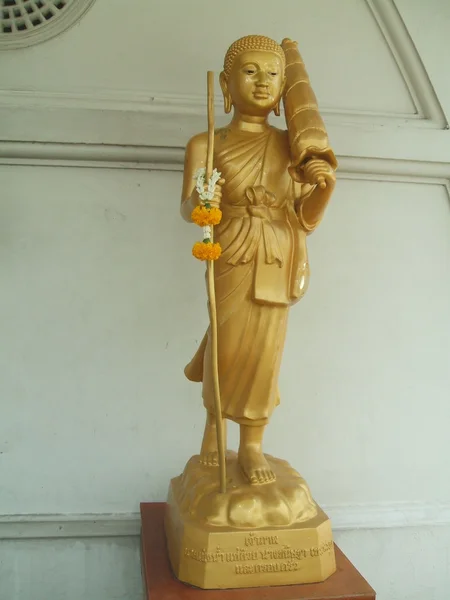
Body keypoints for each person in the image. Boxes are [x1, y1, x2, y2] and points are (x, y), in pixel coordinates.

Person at [181, 35, 336, 485]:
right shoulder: (205, 142)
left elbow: (304, 219)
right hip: (229, 248)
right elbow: (188, 207)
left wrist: (322, 190)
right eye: (250, 71)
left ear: (285, 90)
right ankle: (215, 428)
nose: (263, 82)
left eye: (273, 74)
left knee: (265, 354)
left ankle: (251, 444)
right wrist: (202, 198)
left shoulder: (294, 148)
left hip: (275, 253)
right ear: (227, 84)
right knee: (224, 346)